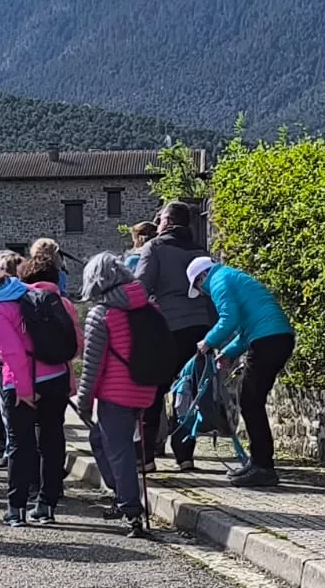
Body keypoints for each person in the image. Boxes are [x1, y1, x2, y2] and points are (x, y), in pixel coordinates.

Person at [0, 256, 82, 527]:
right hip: (56, 374)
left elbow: (12, 354)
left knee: (20, 446)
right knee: (52, 439)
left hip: (21, 384)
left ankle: (16, 507)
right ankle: (47, 504)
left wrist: (24, 389)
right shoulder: (32, 293)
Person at [187, 255, 295, 488]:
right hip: (274, 337)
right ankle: (258, 462)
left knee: (250, 401)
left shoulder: (218, 282)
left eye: (198, 286)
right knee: (251, 400)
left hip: (268, 340)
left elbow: (229, 318)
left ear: (202, 276)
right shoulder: (230, 277)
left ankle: (263, 467)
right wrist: (228, 352)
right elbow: (246, 328)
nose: (202, 292)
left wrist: (207, 342)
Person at [75, 253, 159, 539]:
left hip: (116, 392)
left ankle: (131, 510)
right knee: (100, 439)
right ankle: (124, 495)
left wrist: (84, 402)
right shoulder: (148, 306)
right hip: (146, 388)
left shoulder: (102, 313)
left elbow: (93, 364)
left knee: (118, 450)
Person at [133, 202, 216, 471]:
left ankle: (146, 458)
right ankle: (185, 456)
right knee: (187, 392)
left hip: (166, 327)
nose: (157, 223)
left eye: (160, 219)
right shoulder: (201, 251)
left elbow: (141, 287)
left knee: (153, 391)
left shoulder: (154, 247)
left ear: (167, 221)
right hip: (200, 328)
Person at [0, 249, 26, 470]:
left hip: (5, 363)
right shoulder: (25, 295)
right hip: (25, 362)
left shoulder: (1, 298)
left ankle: (12, 454)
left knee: (9, 413)